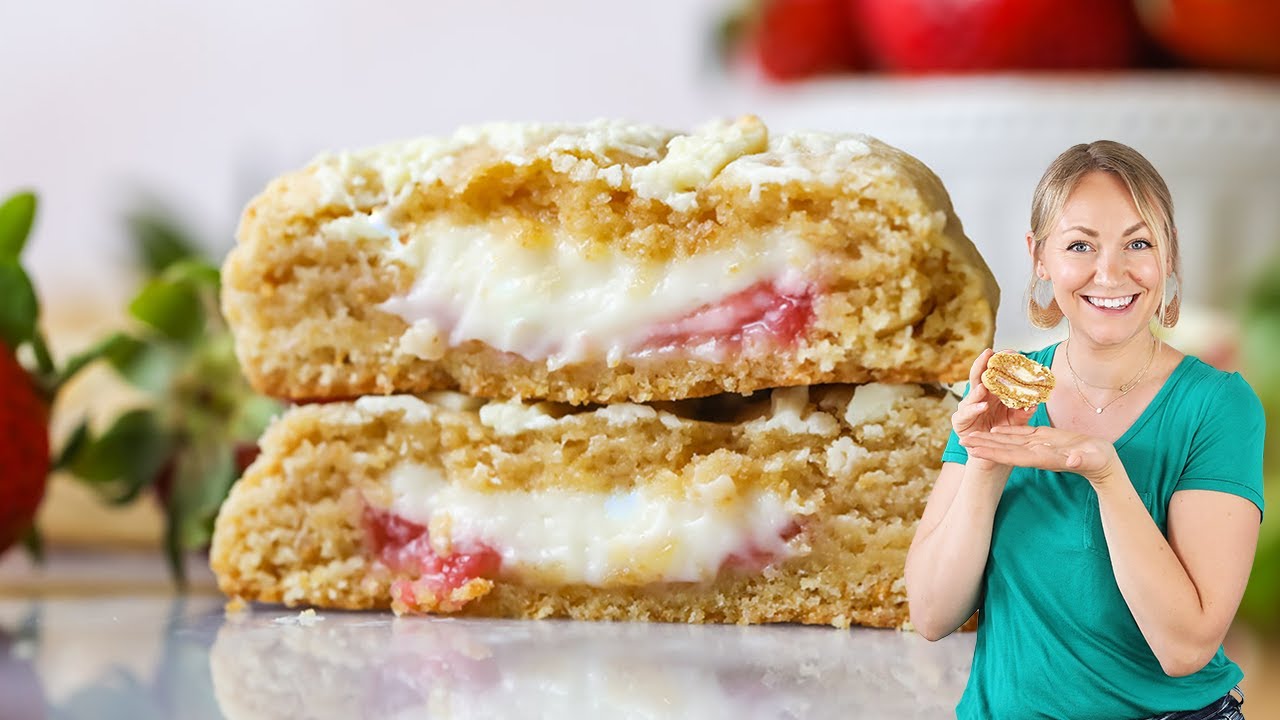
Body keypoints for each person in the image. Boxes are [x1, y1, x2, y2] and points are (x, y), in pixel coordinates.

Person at [904, 140, 1265, 719]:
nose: (1110, 273)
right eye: (1080, 246)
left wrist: (1104, 472)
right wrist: (986, 462)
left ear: (1168, 254)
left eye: (1139, 243)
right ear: (1039, 257)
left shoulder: (1217, 406)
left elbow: (1186, 647)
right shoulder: (1002, 392)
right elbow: (930, 613)